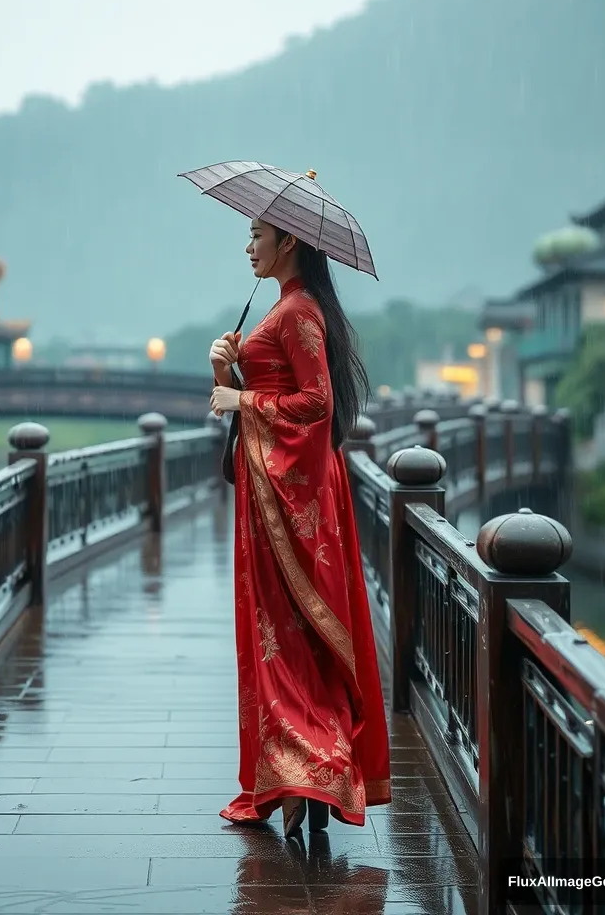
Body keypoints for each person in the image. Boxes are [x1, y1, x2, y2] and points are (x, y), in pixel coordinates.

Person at [208, 217, 391, 838]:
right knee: (279, 635)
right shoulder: (287, 309)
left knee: (290, 635)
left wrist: (241, 400)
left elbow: (317, 404)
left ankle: (313, 769)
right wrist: (226, 372)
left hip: (292, 498)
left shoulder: (297, 312)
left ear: (289, 243)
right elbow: (278, 391)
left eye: (258, 234)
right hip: (273, 492)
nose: (248, 245)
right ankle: (288, 778)